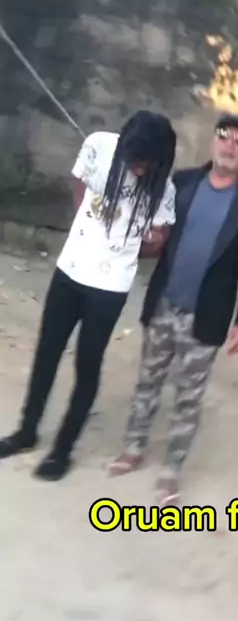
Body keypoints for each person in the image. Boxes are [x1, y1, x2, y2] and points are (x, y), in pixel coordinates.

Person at [109, 112, 238, 505]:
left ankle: (171, 470)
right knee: (148, 380)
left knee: (188, 396)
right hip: (164, 303)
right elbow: (153, 228)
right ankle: (133, 447)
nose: (230, 145)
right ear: (213, 141)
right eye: (224, 136)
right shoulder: (180, 183)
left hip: (207, 315)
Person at [0, 110, 177, 480]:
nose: (137, 169)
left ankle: (62, 450)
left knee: (87, 364)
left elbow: (157, 242)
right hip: (69, 270)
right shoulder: (98, 145)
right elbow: (79, 180)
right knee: (47, 352)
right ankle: (26, 432)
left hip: (109, 289)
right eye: (134, 160)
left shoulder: (164, 190)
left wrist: (139, 241)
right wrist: (91, 212)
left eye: (145, 164)